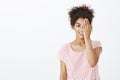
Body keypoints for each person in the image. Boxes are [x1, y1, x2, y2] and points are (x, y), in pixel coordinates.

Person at [58, 4, 102, 80]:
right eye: (78, 25)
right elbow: (63, 75)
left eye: (85, 26)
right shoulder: (65, 49)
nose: (82, 29)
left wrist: (87, 38)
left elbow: (92, 63)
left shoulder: (96, 45)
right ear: (73, 26)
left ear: (90, 27)